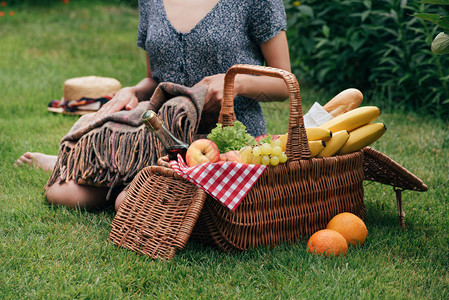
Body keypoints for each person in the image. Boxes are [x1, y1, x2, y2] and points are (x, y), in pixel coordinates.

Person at [16, 0, 291, 212]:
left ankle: (125, 177)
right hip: (160, 137)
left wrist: (236, 83)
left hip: (224, 140)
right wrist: (132, 91)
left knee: (127, 202)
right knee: (62, 195)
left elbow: (286, 84)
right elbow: (153, 79)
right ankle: (116, 169)